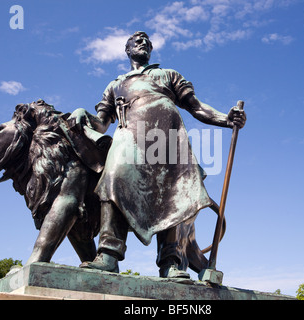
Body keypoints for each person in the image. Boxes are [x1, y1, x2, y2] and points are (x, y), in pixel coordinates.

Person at [74, 31, 246, 278]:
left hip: (169, 139)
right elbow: (101, 122)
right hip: (129, 137)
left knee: (175, 194)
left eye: (147, 41)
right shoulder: (116, 85)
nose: (143, 43)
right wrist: (83, 113)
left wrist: (226, 119)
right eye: (137, 40)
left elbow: (196, 107)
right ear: (127, 49)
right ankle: (108, 255)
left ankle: (171, 262)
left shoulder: (167, 75)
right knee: (114, 178)